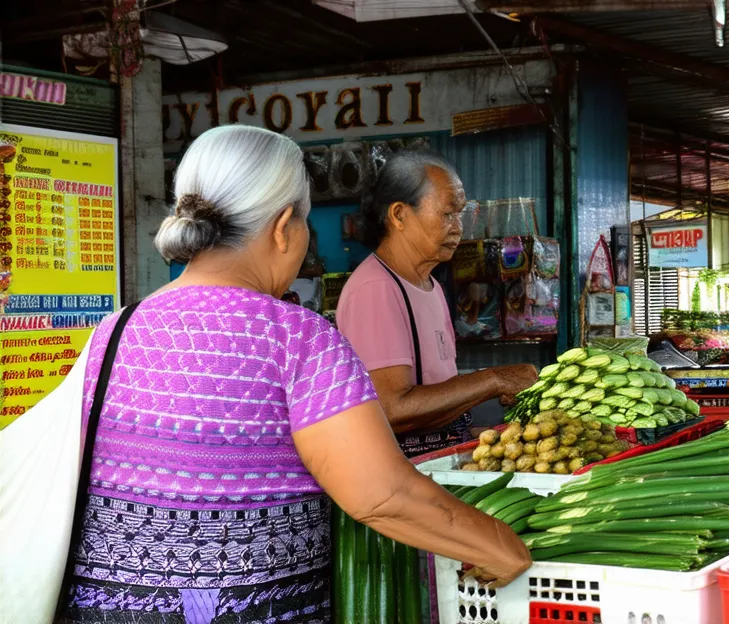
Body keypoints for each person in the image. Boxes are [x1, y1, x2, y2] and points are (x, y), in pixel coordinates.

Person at [58, 126, 530, 623]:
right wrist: (500, 546)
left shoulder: (111, 332)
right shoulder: (295, 336)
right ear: (284, 225)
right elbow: (383, 494)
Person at [336, 151, 539, 456]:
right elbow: (391, 409)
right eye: (447, 214)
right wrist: (493, 380)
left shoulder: (431, 285)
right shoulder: (376, 289)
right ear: (400, 215)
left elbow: (436, 392)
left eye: (460, 214)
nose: (459, 227)